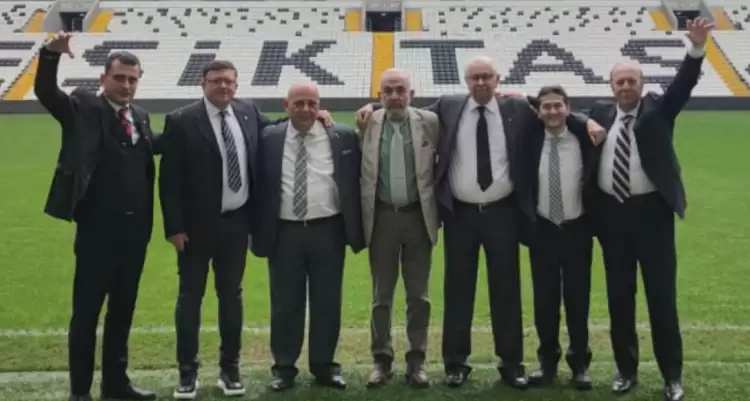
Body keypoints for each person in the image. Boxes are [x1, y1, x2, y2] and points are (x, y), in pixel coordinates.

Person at [356, 56, 604, 389]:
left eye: (487, 76)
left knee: (506, 290)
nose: (481, 82)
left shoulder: (516, 109)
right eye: (475, 77)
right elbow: (403, 106)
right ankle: (456, 363)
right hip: (461, 214)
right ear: (466, 81)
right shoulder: (449, 106)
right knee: (458, 291)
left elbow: (553, 110)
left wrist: (585, 120)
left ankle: (511, 363)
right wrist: (373, 105)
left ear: (497, 79)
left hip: (503, 213)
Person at [158, 60, 333, 400]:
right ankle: (187, 372)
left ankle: (230, 369)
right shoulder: (182, 120)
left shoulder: (247, 111)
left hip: (237, 224)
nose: (223, 86)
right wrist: (174, 227)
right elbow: (169, 180)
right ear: (203, 84)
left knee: (231, 297)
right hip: (195, 229)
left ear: (236, 85)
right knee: (190, 298)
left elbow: (278, 125)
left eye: (228, 81)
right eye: (216, 81)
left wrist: (316, 115)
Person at [586, 18, 713, 401]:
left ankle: (671, 376)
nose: (625, 87)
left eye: (631, 81)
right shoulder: (599, 113)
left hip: (653, 217)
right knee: (620, 299)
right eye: (619, 82)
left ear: (641, 86)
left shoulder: (659, 108)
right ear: (611, 87)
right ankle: (626, 371)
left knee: (661, 299)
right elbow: (555, 112)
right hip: (612, 218)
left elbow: (683, 85)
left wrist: (696, 48)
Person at [34, 32, 158, 401]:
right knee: (87, 314)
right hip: (97, 233)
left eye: (132, 79)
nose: (126, 85)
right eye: (119, 77)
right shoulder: (84, 108)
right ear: (103, 78)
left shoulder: (140, 116)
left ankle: (116, 384)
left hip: (135, 234)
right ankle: (80, 392)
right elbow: (47, 94)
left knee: (122, 311)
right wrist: (50, 55)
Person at [250, 83, 365, 391]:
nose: (305, 109)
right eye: (298, 103)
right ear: (285, 105)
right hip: (284, 232)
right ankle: (284, 367)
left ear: (320, 105)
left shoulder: (341, 135)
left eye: (312, 103)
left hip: (328, 230)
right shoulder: (269, 138)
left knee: (327, 301)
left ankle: (324, 365)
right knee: (285, 303)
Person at [358, 69, 440, 388]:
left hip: (418, 218)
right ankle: (381, 360)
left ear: (411, 94)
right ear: (379, 95)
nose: (394, 96)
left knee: (419, 296)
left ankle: (416, 361)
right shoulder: (367, 123)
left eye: (400, 90)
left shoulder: (429, 122)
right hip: (382, 219)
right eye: (388, 91)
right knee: (381, 296)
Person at [519, 85, 598, 390]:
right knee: (545, 302)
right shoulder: (530, 139)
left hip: (577, 229)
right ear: (538, 112)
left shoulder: (583, 138)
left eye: (557, 106)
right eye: (546, 107)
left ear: (568, 108)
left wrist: (584, 121)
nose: (552, 111)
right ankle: (547, 362)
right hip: (543, 230)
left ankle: (580, 364)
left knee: (578, 301)